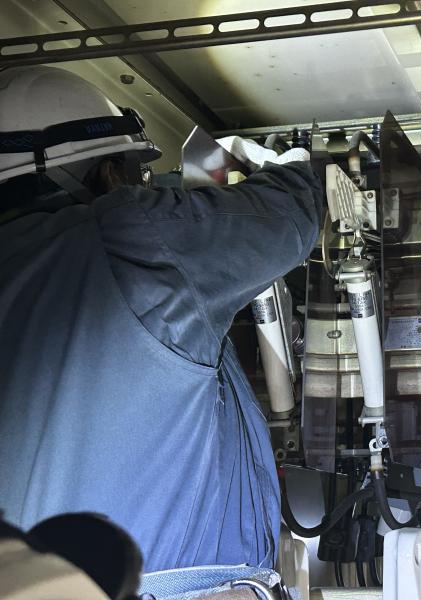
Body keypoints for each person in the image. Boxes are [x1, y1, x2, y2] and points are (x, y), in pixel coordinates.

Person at [0, 66, 323, 574]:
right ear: (108, 173)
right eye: (135, 175)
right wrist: (293, 168)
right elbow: (288, 216)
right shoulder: (128, 238)